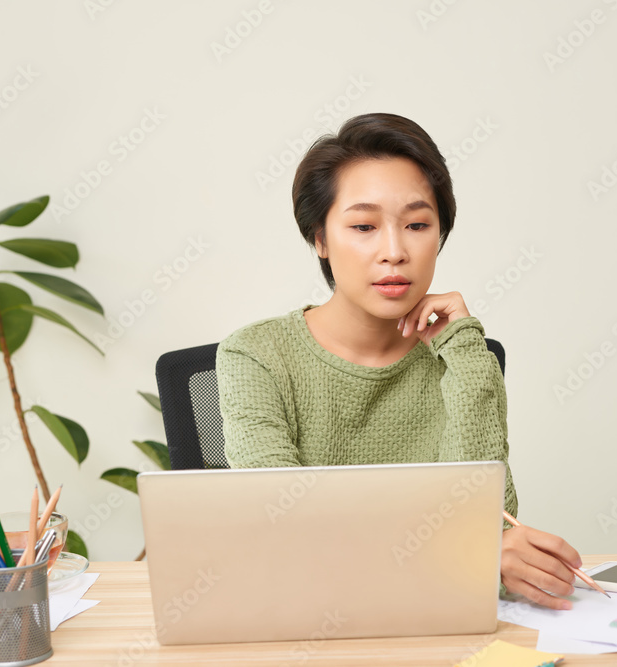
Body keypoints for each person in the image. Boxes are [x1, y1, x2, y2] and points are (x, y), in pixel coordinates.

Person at [216, 112, 582, 610]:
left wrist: (465, 350)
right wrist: (468, 554)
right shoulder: (256, 355)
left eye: (416, 224)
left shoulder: (463, 358)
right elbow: (287, 532)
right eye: (364, 226)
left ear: (439, 236)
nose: (394, 251)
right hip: (303, 622)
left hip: (436, 619)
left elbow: (488, 523)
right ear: (319, 239)